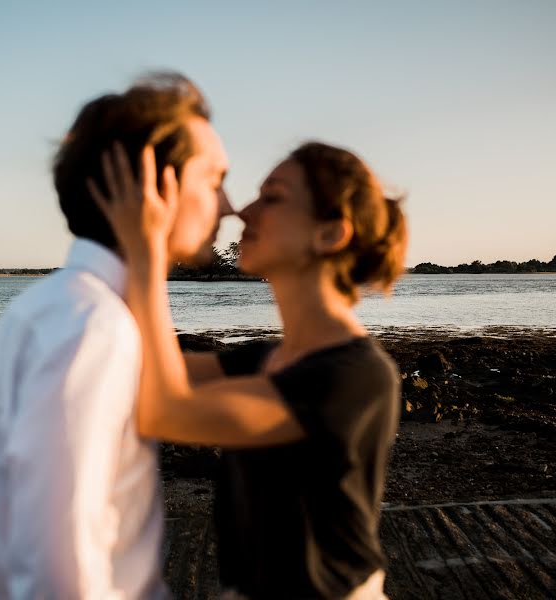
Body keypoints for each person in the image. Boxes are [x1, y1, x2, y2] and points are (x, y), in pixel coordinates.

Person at [0, 73, 232, 599]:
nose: (229, 204)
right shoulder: (94, 327)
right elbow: (59, 572)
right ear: (154, 184)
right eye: (215, 179)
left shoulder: (51, 308)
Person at [93, 140, 407, 599]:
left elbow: (165, 411)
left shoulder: (354, 376)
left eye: (273, 198)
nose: (244, 211)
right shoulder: (265, 360)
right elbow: (141, 369)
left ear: (329, 234)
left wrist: (147, 252)